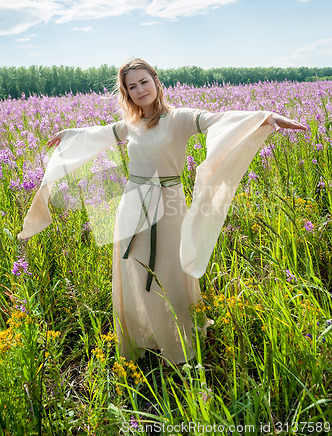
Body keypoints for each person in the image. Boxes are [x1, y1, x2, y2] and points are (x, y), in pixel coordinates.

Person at [18, 59, 307, 364]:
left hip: (169, 206)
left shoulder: (179, 118)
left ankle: (178, 345)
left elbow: (217, 119)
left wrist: (265, 117)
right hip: (132, 205)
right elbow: (100, 134)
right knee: (134, 271)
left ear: (156, 81)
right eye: (132, 86)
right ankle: (143, 340)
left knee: (170, 273)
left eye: (144, 81)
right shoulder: (129, 124)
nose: (140, 89)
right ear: (126, 93)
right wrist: (70, 134)